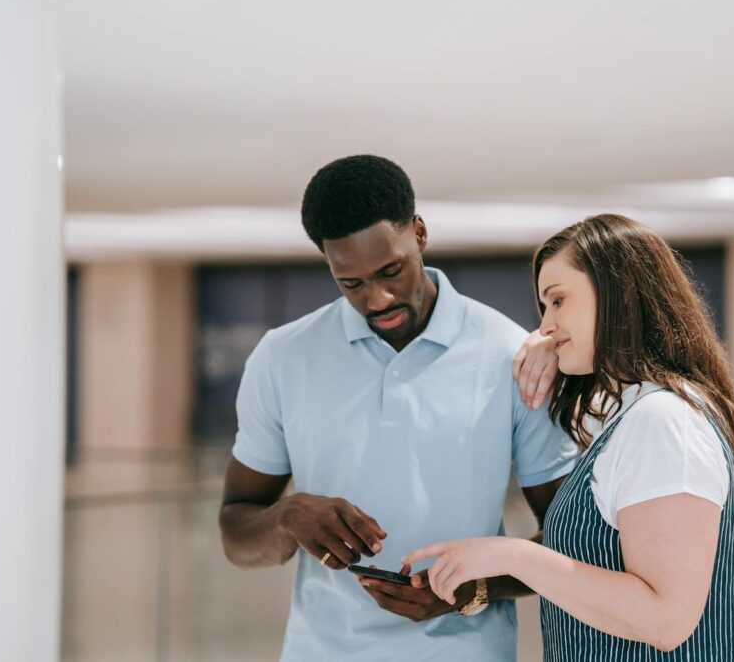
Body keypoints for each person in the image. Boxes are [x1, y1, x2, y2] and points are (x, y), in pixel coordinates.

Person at [218, 155, 579, 661]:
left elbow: (568, 541)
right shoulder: (283, 357)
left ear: (420, 233)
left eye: (391, 270)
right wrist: (286, 517)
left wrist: (471, 587)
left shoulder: (508, 354)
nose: (378, 298)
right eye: (352, 283)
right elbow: (236, 531)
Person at [404, 214, 734, 660]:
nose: (545, 324)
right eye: (543, 308)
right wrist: (554, 350)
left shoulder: (663, 422)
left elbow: (666, 619)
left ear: (618, 296)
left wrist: (511, 555)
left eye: (557, 301)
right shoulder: (639, 412)